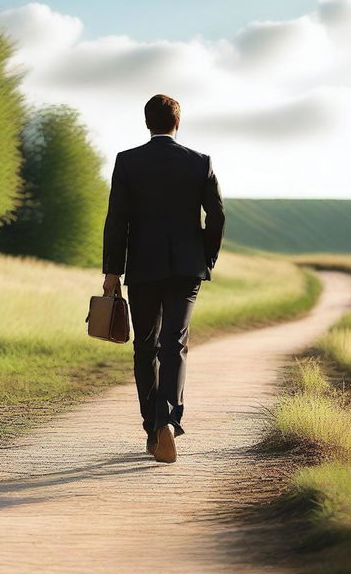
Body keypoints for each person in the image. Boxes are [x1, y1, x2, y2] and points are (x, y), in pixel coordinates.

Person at [102, 94, 225, 463]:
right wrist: (206, 258)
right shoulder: (199, 163)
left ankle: (153, 428)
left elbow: (117, 220)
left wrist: (112, 272)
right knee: (175, 343)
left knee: (146, 347)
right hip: (187, 268)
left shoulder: (128, 162)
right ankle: (168, 418)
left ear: (147, 123)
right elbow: (216, 216)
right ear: (177, 123)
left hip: (141, 268)